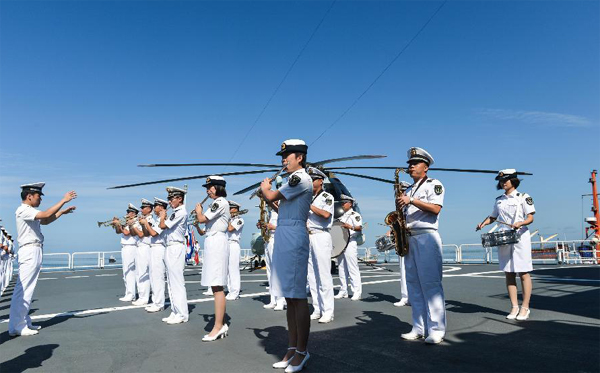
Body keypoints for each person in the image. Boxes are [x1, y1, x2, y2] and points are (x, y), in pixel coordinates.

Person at [260, 139, 313, 372]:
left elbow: (272, 196)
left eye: (288, 155)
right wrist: (266, 195)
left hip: (294, 234)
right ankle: (292, 347)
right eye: (283, 156)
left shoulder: (300, 178)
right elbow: (280, 207)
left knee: (298, 296)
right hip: (285, 230)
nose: (284, 160)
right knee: (289, 297)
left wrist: (265, 190)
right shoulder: (293, 180)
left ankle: (302, 350)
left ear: (299, 157)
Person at [8, 183, 77, 337]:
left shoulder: (30, 211)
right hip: (29, 250)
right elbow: (45, 215)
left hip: (35, 249)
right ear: (29, 196)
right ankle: (17, 326)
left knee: (28, 289)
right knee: (24, 289)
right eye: (38, 196)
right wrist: (63, 200)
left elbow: (45, 220)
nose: (40, 199)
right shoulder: (23, 210)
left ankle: (23, 322)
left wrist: (62, 212)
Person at [397, 147, 446, 345]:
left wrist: (412, 200)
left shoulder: (434, 184)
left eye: (414, 163)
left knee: (431, 284)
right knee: (413, 285)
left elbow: (435, 209)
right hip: (410, 237)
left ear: (425, 167)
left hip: (427, 236)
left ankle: (436, 329)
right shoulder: (409, 189)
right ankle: (418, 327)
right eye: (409, 163)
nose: (410, 166)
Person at [476, 169, 535, 321]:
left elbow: (530, 217)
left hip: (520, 236)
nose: (502, 183)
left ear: (513, 180)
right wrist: (483, 224)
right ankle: (514, 306)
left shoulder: (523, 197)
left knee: (523, 272)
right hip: (504, 237)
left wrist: (520, 222)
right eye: (501, 181)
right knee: (509, 272)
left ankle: (525, 307)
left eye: (505, 180)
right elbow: (493, 217)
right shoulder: (499, 200)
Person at [195, 176, 231, 341]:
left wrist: (198, 211)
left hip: (217, 242)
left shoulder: (220, 202)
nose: (207, 190)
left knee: (217, 286)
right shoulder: (216, 203)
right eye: (207, 188)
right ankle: (221, 323)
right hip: (213, 241)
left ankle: (218, 327)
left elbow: (202, 219)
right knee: (215, 285)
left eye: (210, 187)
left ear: (218, 187)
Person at [306, 167, 335, 323]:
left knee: (323, 275)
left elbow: (325, 215)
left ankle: (328, 311)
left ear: (320, 180)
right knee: (311, 276)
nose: (309, 182)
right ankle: (317, 308)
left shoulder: (326, 197)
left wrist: (308, 205)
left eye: (312, 179)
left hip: (321, 236)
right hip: (308, 236)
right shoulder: (310, 198)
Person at [159, 187, 189, 324]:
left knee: (177, 282)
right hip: (170, 247)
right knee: (171, 282)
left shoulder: (181, 212)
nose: (169, 201)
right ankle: (175, 310)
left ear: (179, 199)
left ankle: (182, 314)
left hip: (176, 247)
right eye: (169, 199)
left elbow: (163, 226)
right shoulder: (175, 212)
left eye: (171, 199)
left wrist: (162, 217)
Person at [138, 198, 168, 312]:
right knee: (153, 276)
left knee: (158, 277)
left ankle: (159, 303)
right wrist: (144, 225)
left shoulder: (162, 219)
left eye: (155, 206)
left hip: (159, 248)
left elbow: (154, 234)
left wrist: (146, 223)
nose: (154, 208)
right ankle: (156, 301)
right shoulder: (157, 219)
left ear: (161, 207)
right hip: (153, 248)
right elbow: (147, 234)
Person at [335, 195, 363, 301]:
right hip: (340, 243)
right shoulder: (340, 215)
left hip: (350, 242)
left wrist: (350, 227)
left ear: (350, 203)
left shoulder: (355, 215)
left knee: (352, 268)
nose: (342, 204)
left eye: (344, 202)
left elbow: (359, 228)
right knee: (341, 267)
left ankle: (356, 291)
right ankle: (343, 290)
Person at [113, 204, 140, 302]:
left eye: (128, 212)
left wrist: (119, 224)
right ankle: (128, 293)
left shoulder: (135, 222)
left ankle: (131, 294)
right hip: (125, 247)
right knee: (126, 272)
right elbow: (118, 232)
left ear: (133, 213)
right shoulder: (128, 222)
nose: (127, 214)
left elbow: (126, 233)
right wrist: (117, 225)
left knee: (130, 272)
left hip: (131, 247)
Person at [130, 199, 154, 306]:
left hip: (145, 246)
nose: (141, 209)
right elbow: (132, 234)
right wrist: (131, 225)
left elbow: (141, 234)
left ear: (149, 209)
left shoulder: (149, 220)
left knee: (143, 272)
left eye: (143, 207)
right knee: (139, 272)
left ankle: (144, 297)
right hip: (140, 246)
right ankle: (141, 295)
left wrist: (134, 226)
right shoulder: (143, 219)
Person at [226, 200, 244, 301]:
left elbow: (230, 229)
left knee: (233, 270)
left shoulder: (239, 220)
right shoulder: (230, 219)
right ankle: (230, 290)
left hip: (233, 244)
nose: (228, 211)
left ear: (235, 209)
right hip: (226, 244)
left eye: (230, 209)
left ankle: (235, 292)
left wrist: (226, 219)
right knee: (228, 270)